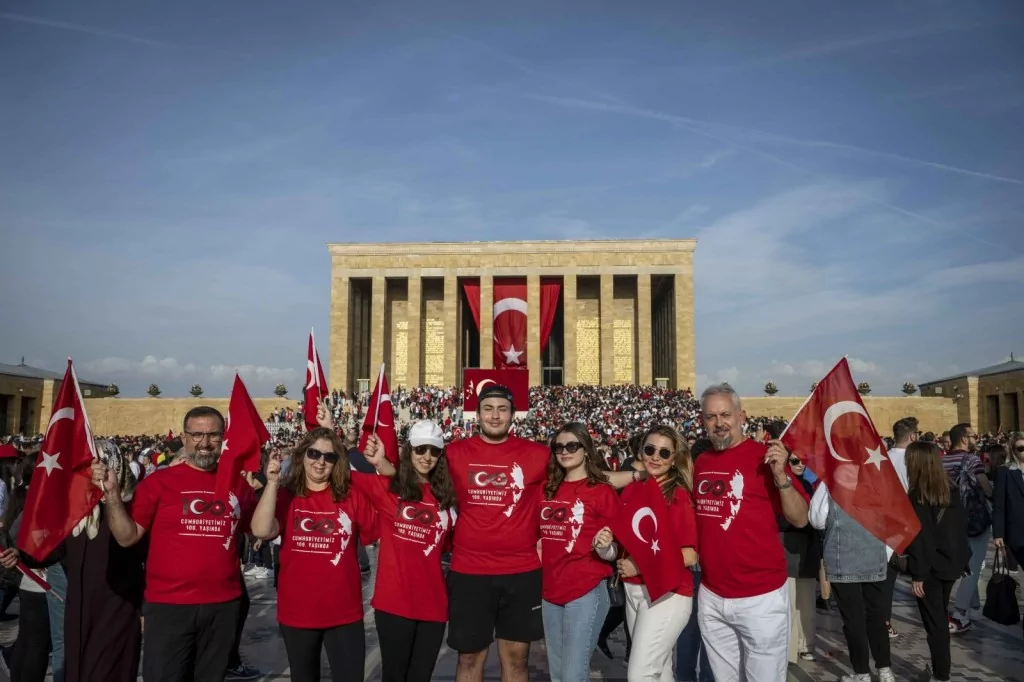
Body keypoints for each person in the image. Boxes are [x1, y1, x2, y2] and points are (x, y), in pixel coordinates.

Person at [94, 406, 257, 682]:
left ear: (223, 438)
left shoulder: (238, 486)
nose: (204, 442)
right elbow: (127, 536)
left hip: (223, 607)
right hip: (169, 607)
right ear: (184, 438)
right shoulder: (157, 483)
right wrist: (111, 495)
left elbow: (259, 530)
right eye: (197, 434)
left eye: (213, 435)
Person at [692, 384, 809, 681]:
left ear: (741, 416)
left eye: (725, 415)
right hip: (712, 594)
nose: (719, 423)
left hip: (760, 596)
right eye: (710, 416)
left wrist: (782, 476)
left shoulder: (765, 459)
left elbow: (800, 519)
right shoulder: (703, 462)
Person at [250, 426, 377, 682]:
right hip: (298, 613)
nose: (320, 462)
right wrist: (273, 484)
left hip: (344, 613)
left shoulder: (351, 497)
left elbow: (378, 530)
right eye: (314, 453)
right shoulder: (286, 495)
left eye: (329, 457)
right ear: (302, 456)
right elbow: (261, 530)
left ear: (337, 462)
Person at [442, 384, 550, 682]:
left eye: (502, 409)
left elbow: (580, 481)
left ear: (513, 415)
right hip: (469, 571)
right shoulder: (453, 454)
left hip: (522, 571)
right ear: (477, 413)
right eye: (488, 409)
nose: (495, 416)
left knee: (517, 660)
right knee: (468, 658)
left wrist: (638, 474)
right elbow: (414, 483)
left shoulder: (538, 455)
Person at [357, 417, 456, 682]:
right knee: (394, 676)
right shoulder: (388, 489)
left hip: (434, 606)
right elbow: (336, 472)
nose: (427, 457)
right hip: (394, 604)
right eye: (420, 449)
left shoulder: (448, 498)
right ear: (408, 451)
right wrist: (378, 462)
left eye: (434, 451)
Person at [607, 424, 698, 681]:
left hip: (668, 593)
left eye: (664, 453)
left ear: (674, 459)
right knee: (659, 671)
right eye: (650, 449)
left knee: (640, 674)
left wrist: (641, 564)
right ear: (640, 451)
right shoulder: (636, 486)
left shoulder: (678, 495)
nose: (655, 457)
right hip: (635, 591)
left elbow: (689, 554)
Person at [539, 422, 619, 682]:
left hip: (585, 589)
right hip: (551, 590)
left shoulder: (601, 491)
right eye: (559, 446)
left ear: (586, 448)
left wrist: (606, 548)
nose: (564, 451)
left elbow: (619, 548)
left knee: (573, 674)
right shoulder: (547, 488)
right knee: (558, 674)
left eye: (572, 445)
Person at [810, 478, 894, 682]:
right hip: (875, 555)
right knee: (876, 616)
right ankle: (885, 671)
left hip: (842, 559)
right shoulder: (879, 480)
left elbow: (817, 519)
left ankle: (862, 673)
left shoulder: (830, 483)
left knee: (853, 619)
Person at [905, 441, 970, 682]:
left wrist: (918, 574)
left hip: (930, 569)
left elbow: (919, 539)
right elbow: (958, 528)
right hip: (950, 565)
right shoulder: (950, 488)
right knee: (939, 617)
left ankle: (941, 674)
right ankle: (940, 669)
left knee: (936, 624)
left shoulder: (917, 496)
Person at [942, 423, 991, 634]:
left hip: (952, 521)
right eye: (973, 436)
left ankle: (971, 607)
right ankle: (960, 613)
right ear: (964, 438)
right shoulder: (971, 460)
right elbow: (986, 488)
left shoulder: (941, 460)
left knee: (965, 564)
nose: (975, 439)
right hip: (975, 521)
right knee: (973, 567)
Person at [781, 453, 819, 664]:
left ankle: (806, 644)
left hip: (807, 549)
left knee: (806, 602)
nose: (800, 464)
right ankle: (789, 647)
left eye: (804, 460)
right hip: (787, 548)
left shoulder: (813, 484)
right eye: (795, 461)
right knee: (788, 601)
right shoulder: (781, 484)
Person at [992, 429, 1024, 638]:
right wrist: (998, 534)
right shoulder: (1006, 471)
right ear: (1013, 450)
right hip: (1018, 532)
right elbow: (999, 506)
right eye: (1021, 448)